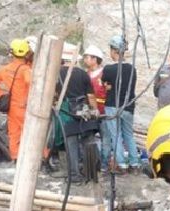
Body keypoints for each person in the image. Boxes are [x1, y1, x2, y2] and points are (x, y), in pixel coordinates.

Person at [53, 44, 98, 183]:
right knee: (86, 142)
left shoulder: (57, 73)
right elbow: (90, 95)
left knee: (71, 144)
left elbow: (54, 94)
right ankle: (90, 172)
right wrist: (94, 110)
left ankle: (74, 175)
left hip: (67, 111)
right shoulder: (83, 74)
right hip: (83, 110)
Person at [101, 35, 141, 175]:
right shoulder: (132, 69)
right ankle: (134, 163)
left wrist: (109, 87)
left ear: (114, 50)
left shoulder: (108, 69)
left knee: (116, 135)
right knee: (129, 135)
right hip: (128, 106)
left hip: (113, 105)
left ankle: (122, 165)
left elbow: (105, 85)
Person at [0, 38, 32, 161]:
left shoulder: (5, 69)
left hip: (12, 107)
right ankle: (41, 159)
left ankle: (16, 158)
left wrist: (0, 95)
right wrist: (28, 99)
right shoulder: (25, 70)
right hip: (24, 107)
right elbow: (31, 83)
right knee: (30, 133)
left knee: (14, 133)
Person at [83, 45, 107, 114]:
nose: (85, 60)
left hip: (103, 109)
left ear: (95, 59)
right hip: (89, 109)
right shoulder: (86, 74)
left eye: (87, 58)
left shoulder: (104, 74)